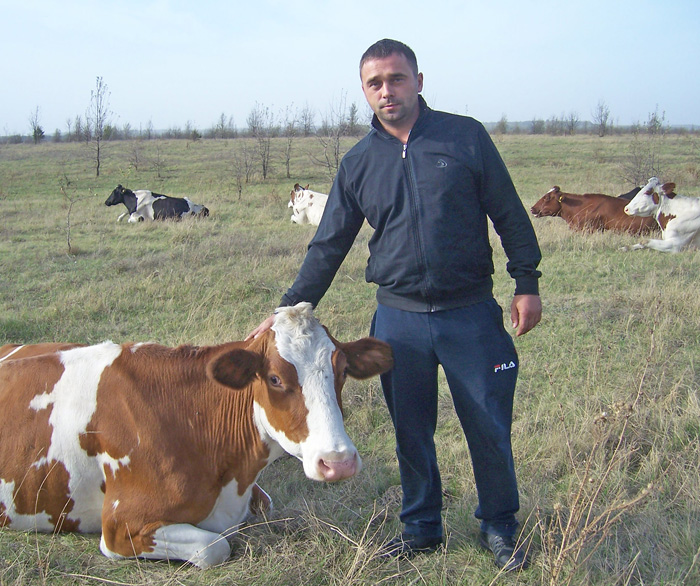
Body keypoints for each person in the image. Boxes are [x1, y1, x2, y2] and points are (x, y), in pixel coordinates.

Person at [247, 38, 542, 571]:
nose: (387, 91)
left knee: (489, 422)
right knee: (410, 427)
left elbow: (509, 213)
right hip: (398, 319)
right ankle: (422, 526)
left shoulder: (465, 137)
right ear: (364, 92)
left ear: (419, 81)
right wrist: (290, 306)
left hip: (470, 313)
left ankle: (499, 525)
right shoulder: (359, 163)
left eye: (396, 78)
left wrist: (526, 281)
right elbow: (330, 242)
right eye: (375, 83)